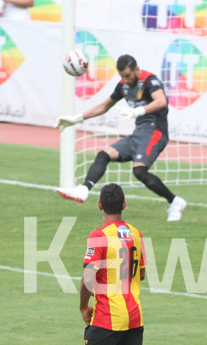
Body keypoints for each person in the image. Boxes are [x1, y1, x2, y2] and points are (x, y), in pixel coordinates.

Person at [47, 183, 167, 345]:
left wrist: (82, 307)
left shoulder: (99, 235)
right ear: (124, 205)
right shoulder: (135, 233)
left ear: (100, 205)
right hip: (134, 314)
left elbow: (88, 278)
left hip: (108, 314)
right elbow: (143, 273)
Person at [55, 54, 187, 222]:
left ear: (136, 70)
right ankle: (84, 189)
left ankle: (175, 202)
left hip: (155, 132)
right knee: (104, 154)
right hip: (138, 133)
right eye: (122, 76)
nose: (126, 80)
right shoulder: (123, 85)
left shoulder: (149, 80)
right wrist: (76, 118)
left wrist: (138, 111)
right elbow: (104, 105)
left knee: (139, 171)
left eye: (128, 76)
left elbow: (162, 101)